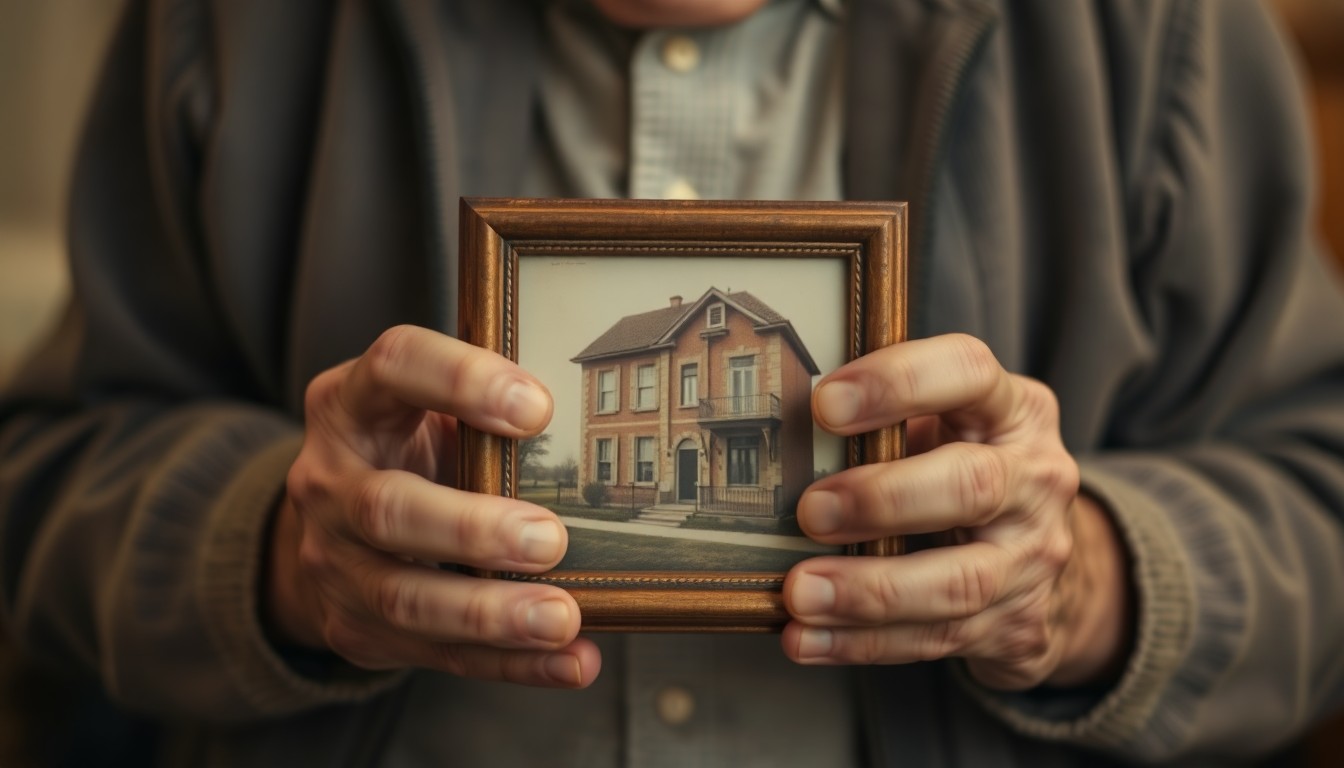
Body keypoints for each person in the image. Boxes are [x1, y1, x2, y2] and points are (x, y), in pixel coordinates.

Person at [2, 0, 1342, 765]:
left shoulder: (1161, 31)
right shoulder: (228, 25)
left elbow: (1318, 507)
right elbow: (43, 481)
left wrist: (1089, 582)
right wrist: (281, 561)